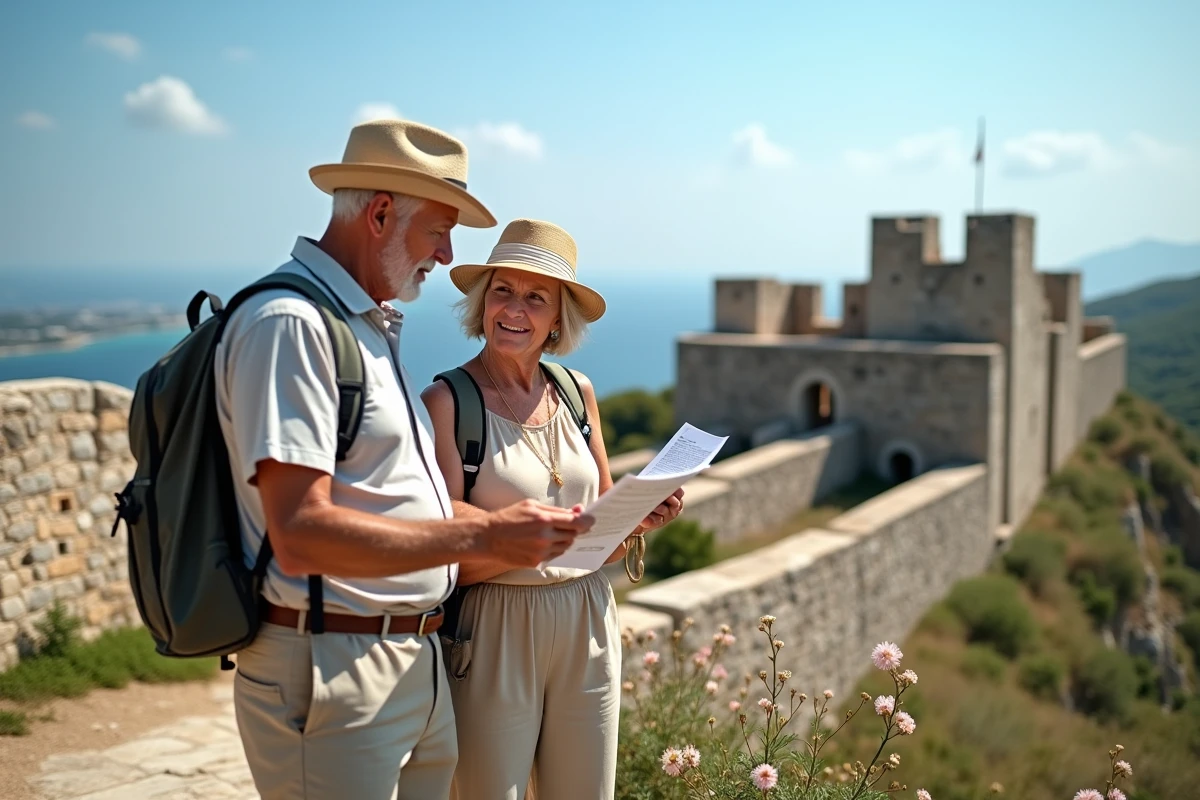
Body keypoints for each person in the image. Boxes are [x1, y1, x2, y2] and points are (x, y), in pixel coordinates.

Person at [214, 121, 594, 800]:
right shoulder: (292, 325)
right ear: (381, 213)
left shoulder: (365, 328)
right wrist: (486, 534)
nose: (448, 256)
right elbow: (298, 533)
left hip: (410, 662)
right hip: (332, 665)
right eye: (439, 231)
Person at [420, 218, 685, 800]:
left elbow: (603, 541)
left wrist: (638, 521)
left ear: (559, 317)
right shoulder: (447, 401)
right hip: (494, 628)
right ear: (481, 302)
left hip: (589, 616)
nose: (515, 309)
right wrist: (534, 546)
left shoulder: (576, 391)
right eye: (502, 291)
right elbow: (441, 556)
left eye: (535, 297)